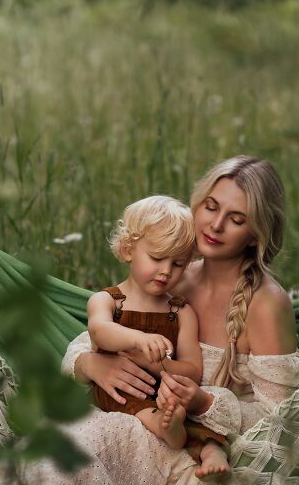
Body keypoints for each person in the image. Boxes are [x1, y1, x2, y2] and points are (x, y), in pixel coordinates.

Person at [0, 156, 299, 485]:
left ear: (255, 234)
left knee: (77, 461)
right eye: (211, 206)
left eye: (236, 218)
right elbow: (97, 336)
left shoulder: (266, 304)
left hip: (189, 446)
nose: (215, 225)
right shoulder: (174, 273)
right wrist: (91, 366)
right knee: (54, 451)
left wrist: (203, 403)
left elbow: (282, 420)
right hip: (127, 418)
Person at [87, 195, 227, 461]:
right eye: (157, 258)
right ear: (128, 250)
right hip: (117, 394)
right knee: (147, 410)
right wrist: (137, 339)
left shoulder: (181, 312)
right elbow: (98, 331)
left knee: (192, 419)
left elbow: (192, 371)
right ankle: (171, 430)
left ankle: (199, 444)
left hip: (164, 397)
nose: (166, 271)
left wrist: (155, 365)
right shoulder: (108, 301)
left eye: (177, 264)